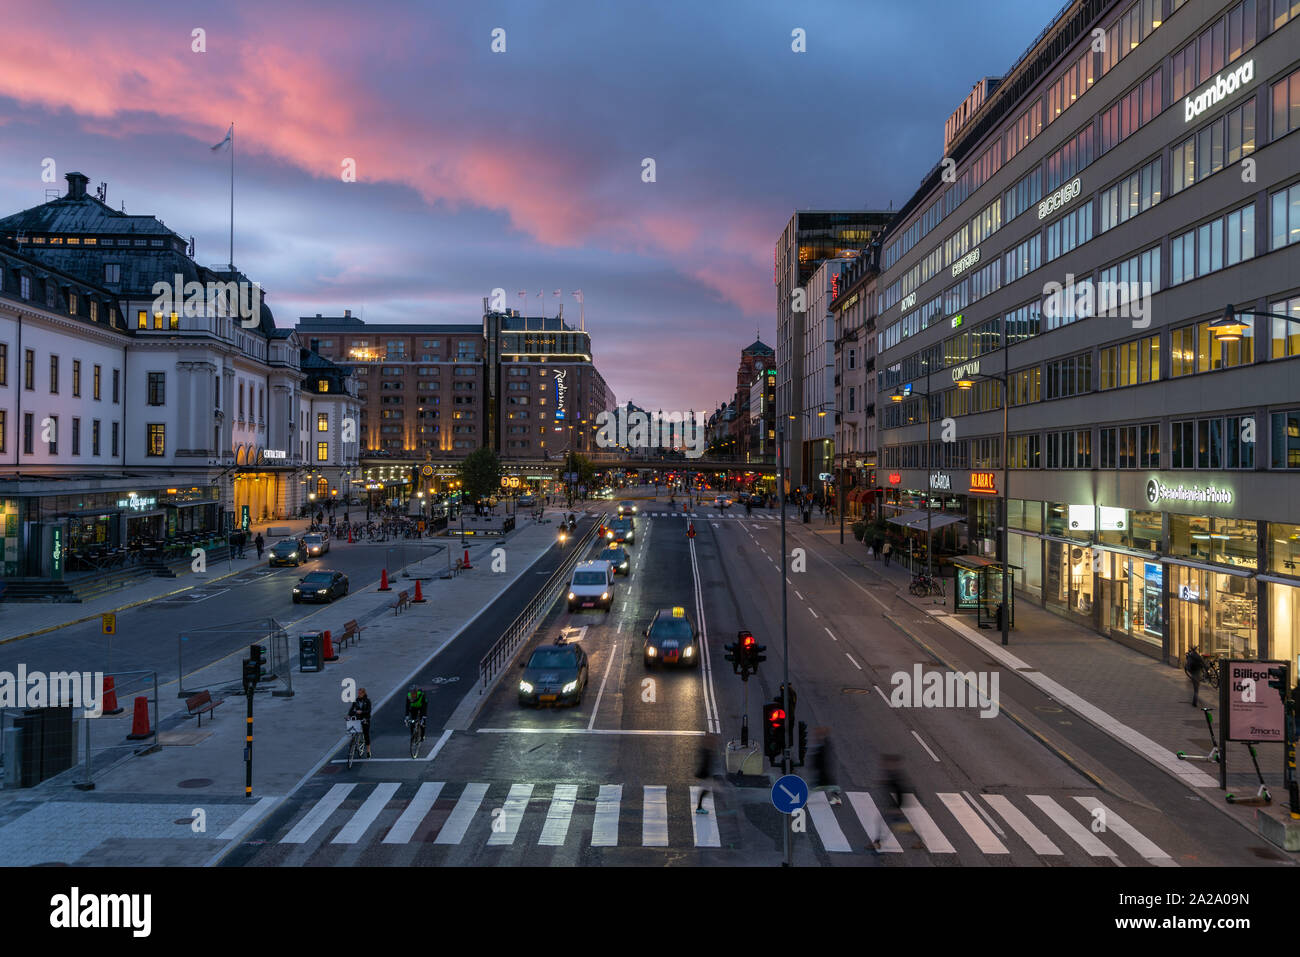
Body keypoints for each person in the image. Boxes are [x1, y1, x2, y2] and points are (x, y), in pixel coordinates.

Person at [347, 687, 373, 758]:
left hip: (365, 719)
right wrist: (349, 715)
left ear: (364, 693)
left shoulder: (367, 701)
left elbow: (369, 710)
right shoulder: (356, 700)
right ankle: (354, 743)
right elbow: (352, 708)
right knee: (353, 730)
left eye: (360, 693)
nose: (359, 694)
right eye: (358, 693)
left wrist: (362, 712)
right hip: (358, 718)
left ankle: (368, 751)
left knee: (366, 733)